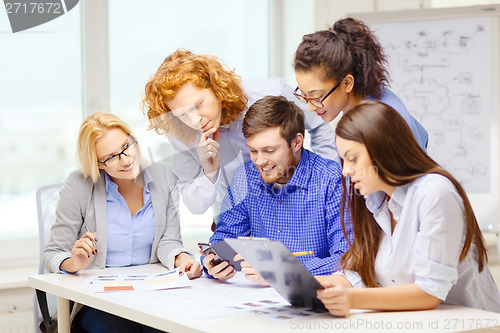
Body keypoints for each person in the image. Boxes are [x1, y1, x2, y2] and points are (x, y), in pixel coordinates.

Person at [316, 100, 500, 316]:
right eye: (343, 161)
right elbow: (362, 275)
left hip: (473, 325)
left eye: (353, 159)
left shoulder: (435, 193)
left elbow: (429, 293)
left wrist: (352, 299)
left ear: (383, 149)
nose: (345, 171)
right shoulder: (375, 200)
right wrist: (314, 286)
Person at [44, 112, 202, 333]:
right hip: (101, 301)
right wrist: (74, 262)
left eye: (127, 147)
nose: (126, 160)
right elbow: (52, 253)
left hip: (152, 293)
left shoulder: (164, 175)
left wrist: (181, 257)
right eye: (111, 157)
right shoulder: (79, 185)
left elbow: (168, 241)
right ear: (98, 164)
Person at [142, 49, 337, 225]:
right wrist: (209, 171)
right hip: (233, 221)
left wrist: (326, 187)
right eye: (182, 114)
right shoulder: (179, 133)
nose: (195, 120)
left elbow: (320, 128)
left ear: (216, 88)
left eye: (199, 105)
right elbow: (195, 205)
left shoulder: (269, 93)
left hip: (294, 212)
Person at [202, 96, 350, 283]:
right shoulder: (246, 177)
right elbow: (224, 238)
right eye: (254, 151)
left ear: (296, 143)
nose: (259, 161)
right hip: (255, 298)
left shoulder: (332, 180)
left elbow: (347, 257)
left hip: (315, 295)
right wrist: (211, 263)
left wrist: (284, 271)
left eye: (269, 150)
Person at [293, 17, 428, 150]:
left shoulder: (381, 122)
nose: (311, 107)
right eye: (304, 95)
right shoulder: (362, 107)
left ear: (346, 83)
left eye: (316, 97)